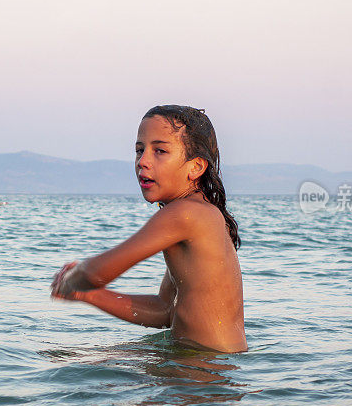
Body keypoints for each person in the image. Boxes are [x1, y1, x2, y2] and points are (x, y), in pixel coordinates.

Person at [50, 105, 247, 353]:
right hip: (213, 369)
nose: (143, 161)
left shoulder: (184, 214)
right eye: (139, 150)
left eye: (160, 151)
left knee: (66, 363)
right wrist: (88, 295)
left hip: (199, 375)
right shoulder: (200, 212)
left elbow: (97, 273)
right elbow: (166, 309)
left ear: (195, 167)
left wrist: (72, 278)